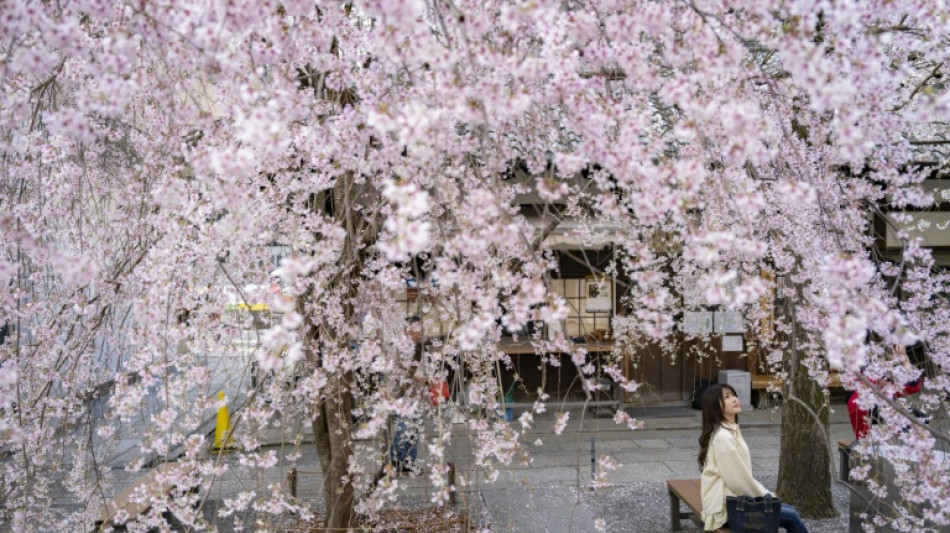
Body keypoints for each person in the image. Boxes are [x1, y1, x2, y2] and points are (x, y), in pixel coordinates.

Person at [698, 384, 809, 533]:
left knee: (792, 511)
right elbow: (738, 481)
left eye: (733, 394)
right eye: (727, 397)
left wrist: (766, 496)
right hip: (725, 508)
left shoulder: (731, 429)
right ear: (715, 406)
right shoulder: (723, 437)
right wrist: (767, 496)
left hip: (733, 499)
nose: (734, 399)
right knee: (792, 517)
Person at [848, 344, 922, 439]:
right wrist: (905, 362)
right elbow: (912, 386)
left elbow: (912, 386)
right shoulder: (871, 376)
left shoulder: (883, 380)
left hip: (875, 408)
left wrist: (905, 361)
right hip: (867, 409)